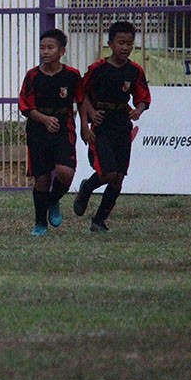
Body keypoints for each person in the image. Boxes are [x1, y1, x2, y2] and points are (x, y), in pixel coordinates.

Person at [72, 20, 151, 233]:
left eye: (129, 44)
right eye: (121, 43)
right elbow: (82, 93)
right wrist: (90, 114)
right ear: (110, 44)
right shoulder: (98, 69)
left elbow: (143, 97)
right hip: (103, 123)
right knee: (107, 173)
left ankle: (99, 220)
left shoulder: (134, 71)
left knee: (118, 178)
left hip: (122, 124)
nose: (125, 48)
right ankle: (86, 188)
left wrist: (139, 109)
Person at [18, 29, 83, 237]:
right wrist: (44, 120)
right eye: (42, 48)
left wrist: (86, 126)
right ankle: (40, 223)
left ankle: (53, 201)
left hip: (64, 128)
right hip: (38, 129)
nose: (45, 52)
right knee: (42, 179)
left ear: (61, 51)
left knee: (66, 172)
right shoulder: (33, 76)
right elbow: (25, 106)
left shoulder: (72, 75)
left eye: (50, 48)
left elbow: (82, 100)